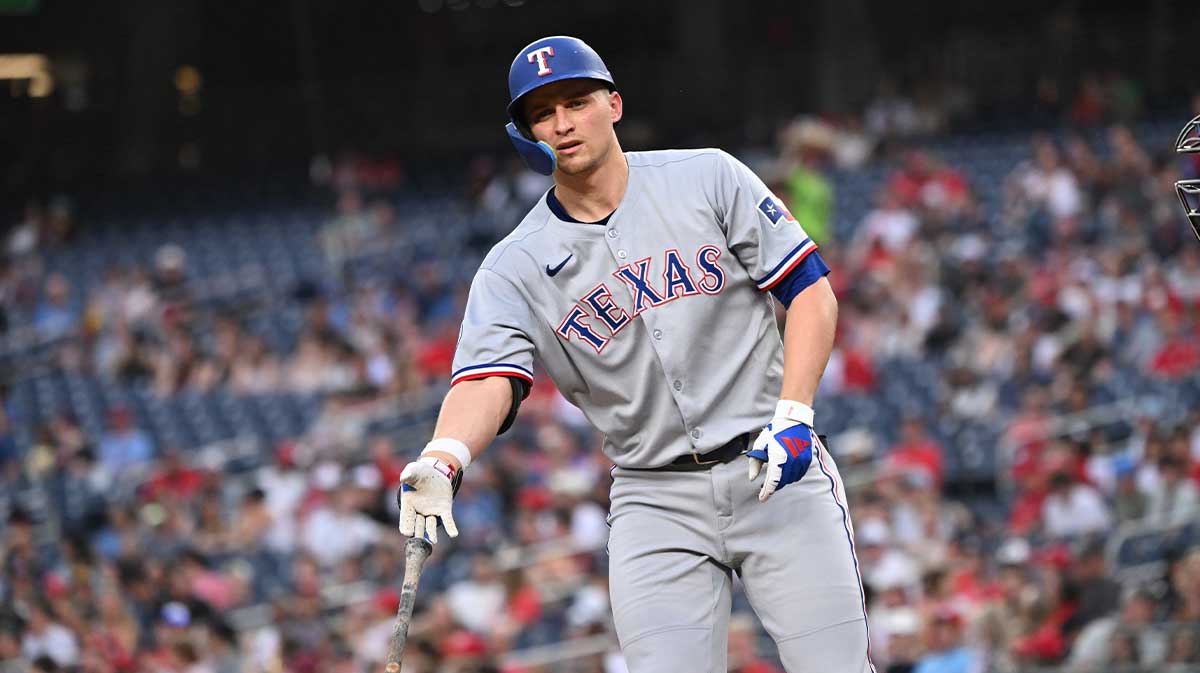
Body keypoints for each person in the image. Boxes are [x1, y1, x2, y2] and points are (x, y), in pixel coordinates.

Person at [395, 36, 868, 672]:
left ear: (613, 104)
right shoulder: (514, 264)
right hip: (654, 498)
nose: (562, 124)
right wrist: (444, 455)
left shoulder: (708, 175)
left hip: (772, 464)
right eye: (541, 112)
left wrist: (796, 412)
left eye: (576, 102)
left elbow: (810, 292)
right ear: (525, 132)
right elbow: (487, 378)